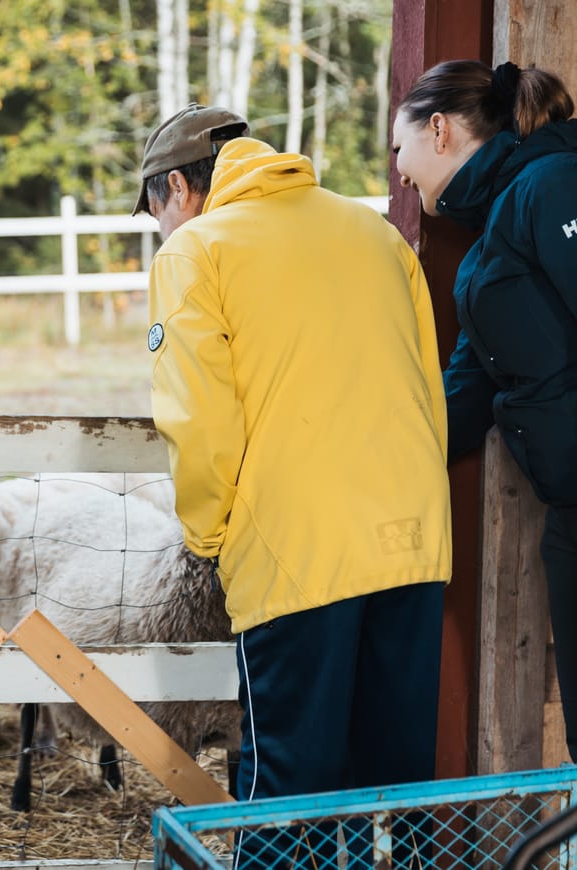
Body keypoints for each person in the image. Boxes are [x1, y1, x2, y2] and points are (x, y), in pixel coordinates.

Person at [137, 103, 453, 862]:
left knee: (286, 786)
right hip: (412, 542)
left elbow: (198, 420)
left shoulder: (196, 253)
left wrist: (210, 536)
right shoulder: (375, 233)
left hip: (294, 551)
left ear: (176, 186)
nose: (159, 230)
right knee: (395, 788)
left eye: (153, 211)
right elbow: (429, 386)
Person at [393, 60, 577, 764]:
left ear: (439, 130)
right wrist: (374, 463)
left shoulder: (551, 185)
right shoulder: (496, 230)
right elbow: (469, 386)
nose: (400, 172)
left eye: (400, 147)